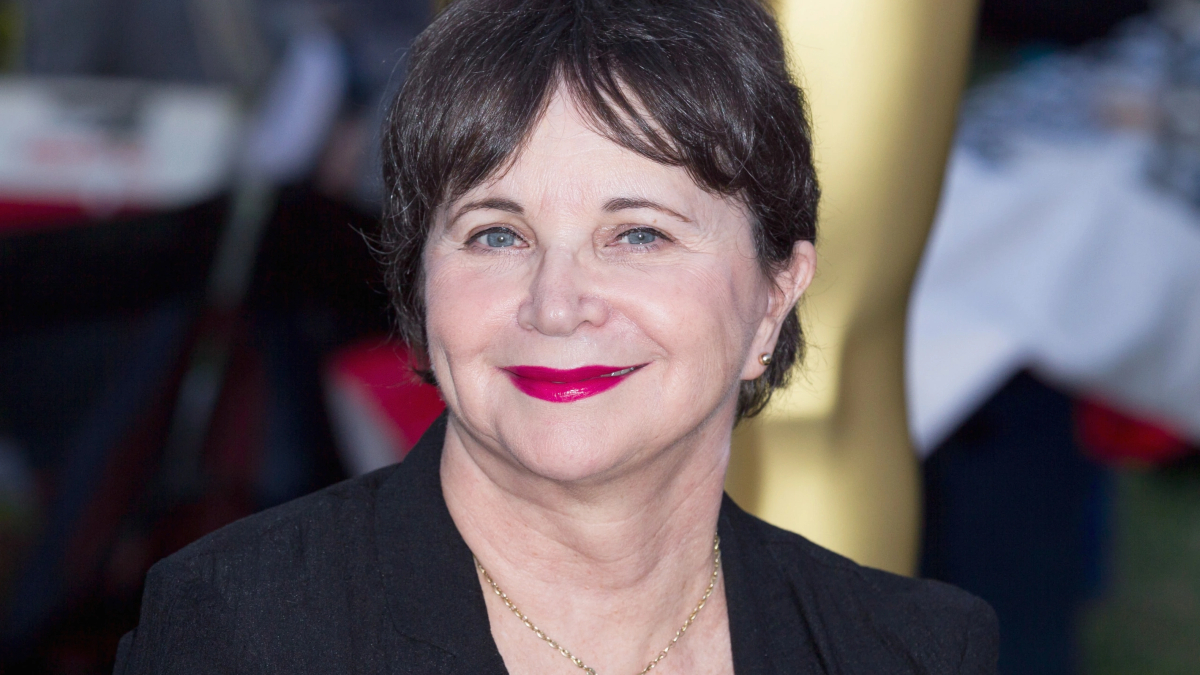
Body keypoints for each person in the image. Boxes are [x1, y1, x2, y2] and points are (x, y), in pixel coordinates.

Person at [114, 0, 998, 673]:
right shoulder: (241, 628)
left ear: (776, 294)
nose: (557, 303)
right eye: (497, 234)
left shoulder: (915, 648)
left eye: (638, 234)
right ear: (418, 281)